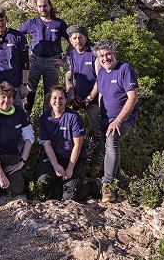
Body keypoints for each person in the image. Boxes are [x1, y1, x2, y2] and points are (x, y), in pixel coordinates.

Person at [95, 40, 139, 203]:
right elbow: (101, 94)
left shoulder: (124, 69)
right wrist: (101, 116)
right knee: (108, 146)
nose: (105, 58)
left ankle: (108, 187)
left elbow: (132, 97)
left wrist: (118, 121)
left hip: (125, 118)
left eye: (108, 54)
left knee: (112, 140)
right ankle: (120, 178)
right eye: (101, 56)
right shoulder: (101, 73)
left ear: (114, 54)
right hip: (106, 119)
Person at [34, 86, 96, 201]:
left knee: (70, 198)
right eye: (54, 98)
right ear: (49, 101)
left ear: (66, 100)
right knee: (42, 182)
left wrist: (70, 168)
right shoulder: (44, 119)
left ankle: (94, 186)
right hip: (54, 157)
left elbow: (78, 144)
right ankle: (58, 183)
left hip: (73, 158)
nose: (58, 101)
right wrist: (55, 165)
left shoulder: (73, 117)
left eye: (61, 98)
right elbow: (46, 144)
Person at [19, 0, 69, 114]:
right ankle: (27, 116)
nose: (43, 8)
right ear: (37, 8)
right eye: (40, 6)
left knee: (51, 94)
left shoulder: (59, 23)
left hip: (52, 62)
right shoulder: (32, 22)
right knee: (29, 91)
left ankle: (48, 118)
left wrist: (65, 59)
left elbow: (72, 41)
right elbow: (18, 36)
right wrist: (25, 53)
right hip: (35, 60)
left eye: (45, 6)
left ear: (50, 6)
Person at [64, 25, 103, 171]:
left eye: (80, 37)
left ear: (85, 38)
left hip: (93, 99)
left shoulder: (94, 55)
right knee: (53, 100)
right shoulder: (70, 56)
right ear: (70, 40)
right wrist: (72, 96)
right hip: (76, 95)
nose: (78, 40)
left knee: (98, 132)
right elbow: (68, 79)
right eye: (74, 38)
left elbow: (100, 80)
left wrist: (89, 98)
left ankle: (96, 167)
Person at [0, 6, 30, 108]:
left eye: (2, 20)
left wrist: (24, 84)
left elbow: (25, 62)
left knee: (16, 114)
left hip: (14, 84)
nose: (0, 24)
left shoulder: (17, 36)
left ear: (6, 19)